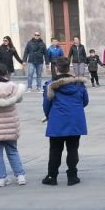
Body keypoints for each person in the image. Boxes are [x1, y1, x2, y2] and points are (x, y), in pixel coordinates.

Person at [42, 57, 89, 186]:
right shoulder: (79, 84)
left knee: (55, 150)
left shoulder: (51, 85)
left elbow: (46, 104)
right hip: (75, 120)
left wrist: (49, 115)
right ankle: (72, 176)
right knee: (73, 149)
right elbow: (85, 101)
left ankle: (52, 176)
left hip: (57, 121)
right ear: (70, 68)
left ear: (57, 68)